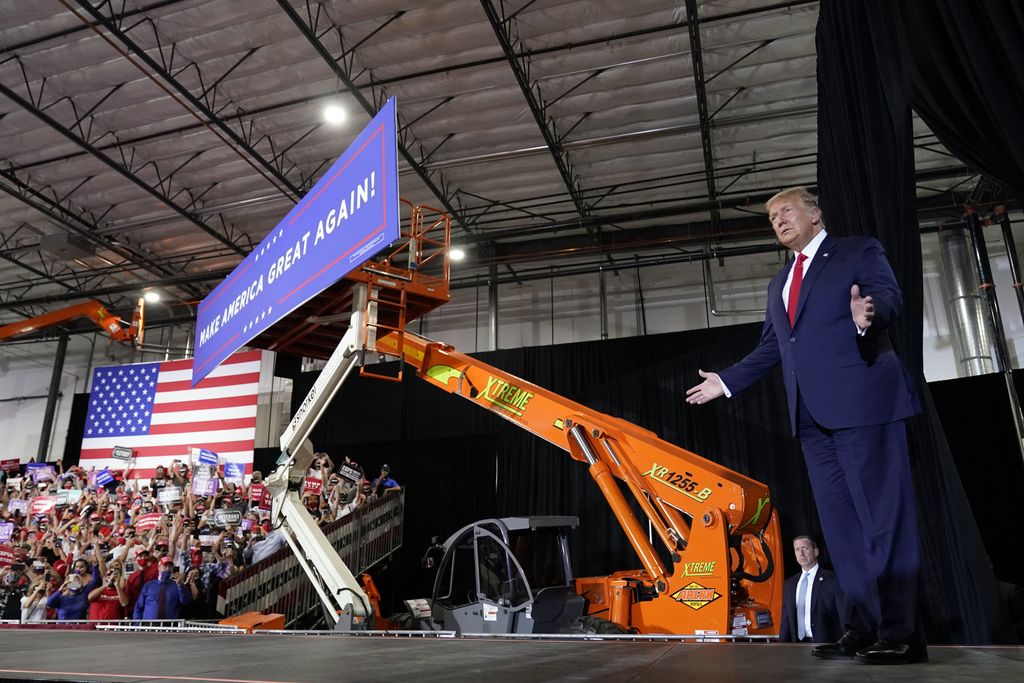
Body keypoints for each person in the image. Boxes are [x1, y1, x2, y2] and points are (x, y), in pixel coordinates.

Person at [685, 187, 925, 665]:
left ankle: (901, 632)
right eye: (772, 217)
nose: (778, 221)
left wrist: (868, 316)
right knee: (841, 531)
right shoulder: (780, 283)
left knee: (882, 521)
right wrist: (727, 382)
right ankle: (862, 627)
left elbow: (889, 299)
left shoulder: (857, 250)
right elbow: (774, 347)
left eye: (786, 211)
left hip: (864, 405)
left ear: (815, 213)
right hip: (811, 421)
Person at [779, 536, 843, 643]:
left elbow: (842, 615)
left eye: (805, 548)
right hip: (797, 647)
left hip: (826, 646)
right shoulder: (789, 584)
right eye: (797, 549)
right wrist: (781, 648)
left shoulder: (832, 579)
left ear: (816, 552)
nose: (801, 553)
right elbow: (786, 619)